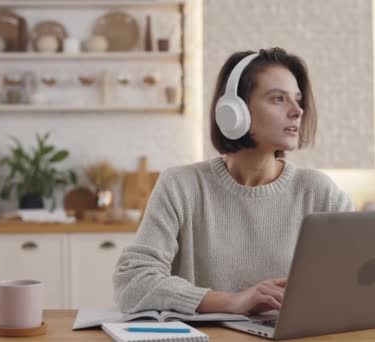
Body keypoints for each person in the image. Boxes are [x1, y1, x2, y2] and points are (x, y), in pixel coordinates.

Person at [113, 47, 353, 316]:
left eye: (297, 100)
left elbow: (359, 278)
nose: (297, 111)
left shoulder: (319, 192)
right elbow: (132, 283)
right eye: (278, 99)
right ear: (234, 111)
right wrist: (232, 301)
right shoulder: (181, 186)